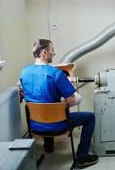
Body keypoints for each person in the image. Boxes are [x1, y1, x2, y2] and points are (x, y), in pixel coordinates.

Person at [20, 39, 98, 168]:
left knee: (45, 107)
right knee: (90, 117)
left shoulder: (24, 71)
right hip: (57, 124)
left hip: (35, 124)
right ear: (44, 53)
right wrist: (66, 97)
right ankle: (82, 156)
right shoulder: (55, 73)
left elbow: (25, 92)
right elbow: (73, 100)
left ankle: (48, 148)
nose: (54, 53)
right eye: (52, 50)